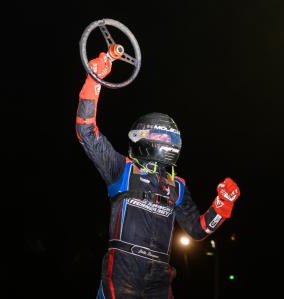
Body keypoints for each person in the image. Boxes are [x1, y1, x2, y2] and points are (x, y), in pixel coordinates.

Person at [76, 52, 241, 299]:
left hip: (160, 279)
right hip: (122, 273)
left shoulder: (177, 187)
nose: (167, 142)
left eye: (170, 138)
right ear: (142, 138)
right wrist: (94, 81)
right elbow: (86, 132)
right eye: (161, 137)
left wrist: (221, 208)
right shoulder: (122, 170)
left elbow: (197, 230)